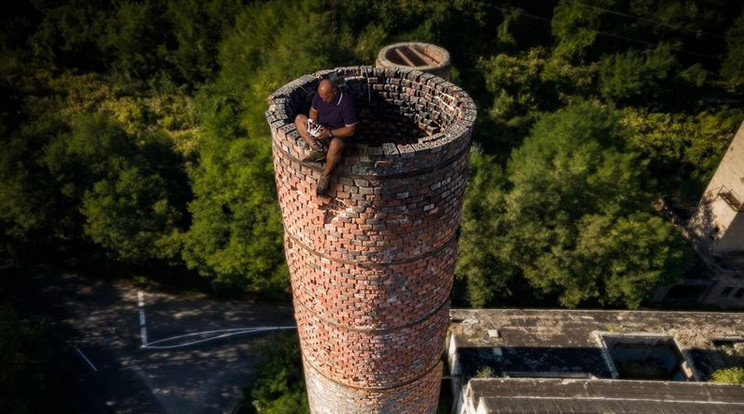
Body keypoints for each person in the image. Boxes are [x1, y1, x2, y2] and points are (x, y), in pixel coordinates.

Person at [294, 79, 358, 196]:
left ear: (334, 91)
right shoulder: (320, 96)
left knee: (335, 145)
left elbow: (350, 130)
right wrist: (313, 124)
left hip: (338, 135)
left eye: (326, 97)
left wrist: (330, 133)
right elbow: (313, 111)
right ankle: (317, 148)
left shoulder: (346, 103)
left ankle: (326, 175)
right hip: (323, 130)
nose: (323, 100)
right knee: (299, 119)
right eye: (322, 97)